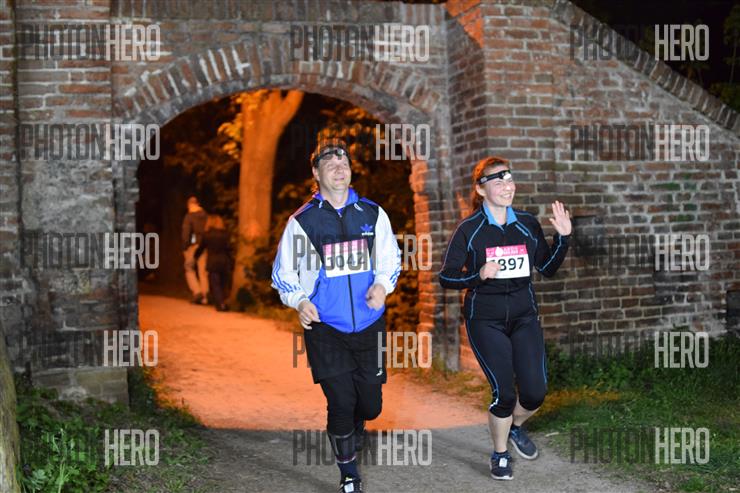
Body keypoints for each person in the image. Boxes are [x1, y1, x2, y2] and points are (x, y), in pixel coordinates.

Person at [271, 138, 401, 493]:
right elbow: (284, 274)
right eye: (329, 163)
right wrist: (300, 301)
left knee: (370, 407)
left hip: (370, 323)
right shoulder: (304, 221)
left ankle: (354, 428)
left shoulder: (372, 214)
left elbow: (390, 259)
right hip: (325, 327)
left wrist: (382, 286)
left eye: (343, 162)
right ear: (316, 173)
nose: (339, 167)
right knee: (341, 401)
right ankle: (348, 474)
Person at [438, 156, 571, 481]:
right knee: (505, 394)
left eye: (509, 179)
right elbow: (447, 277)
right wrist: (478, 275)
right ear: (481, 189)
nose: (507, 186)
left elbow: (547, 268)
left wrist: (563, 238)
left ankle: (514, 427)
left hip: (524, 317)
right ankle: (500, 454)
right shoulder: (469, 230)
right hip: (485, 320)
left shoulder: (526, 223)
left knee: (535, 393)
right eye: (497, 180)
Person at [195, 215, 232, 312]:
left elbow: (201, 248)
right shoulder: (226, 234)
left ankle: (220, 303)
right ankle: (224, 301)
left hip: (212, 262)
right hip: (224, 261)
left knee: (215, 284)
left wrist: (196, 256)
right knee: (223, 283)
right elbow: (229, 248)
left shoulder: (207, 235)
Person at [182, 196, 209, 304]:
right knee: (203, 271)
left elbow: (186, 232)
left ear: (189, 205)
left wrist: (185, 246)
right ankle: (205, 296)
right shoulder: (205, 215)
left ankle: (197, 292)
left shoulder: (189, 216)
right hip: (204, 245)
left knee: (189, 268)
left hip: (192, 246)